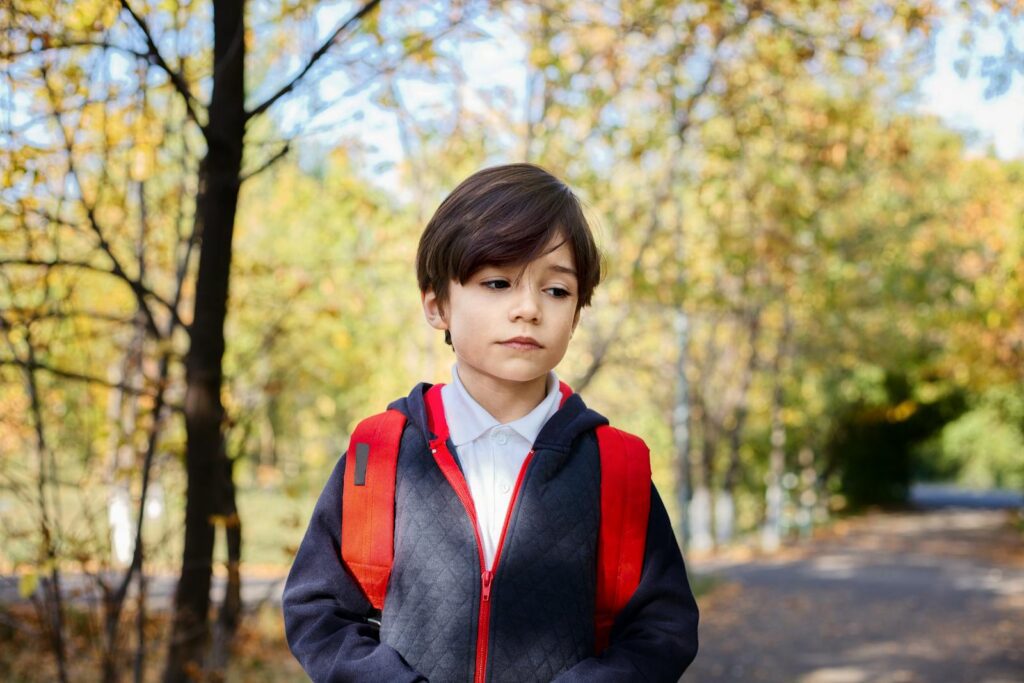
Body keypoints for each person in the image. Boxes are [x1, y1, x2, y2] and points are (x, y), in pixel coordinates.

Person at [282, 163, 699, 682]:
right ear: (438, 307)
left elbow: (664, 626)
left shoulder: (615, 467)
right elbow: (318, 610)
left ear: (577, 313)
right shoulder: (381, 454)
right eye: (498, 282)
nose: (528, 309)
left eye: (556, 291)